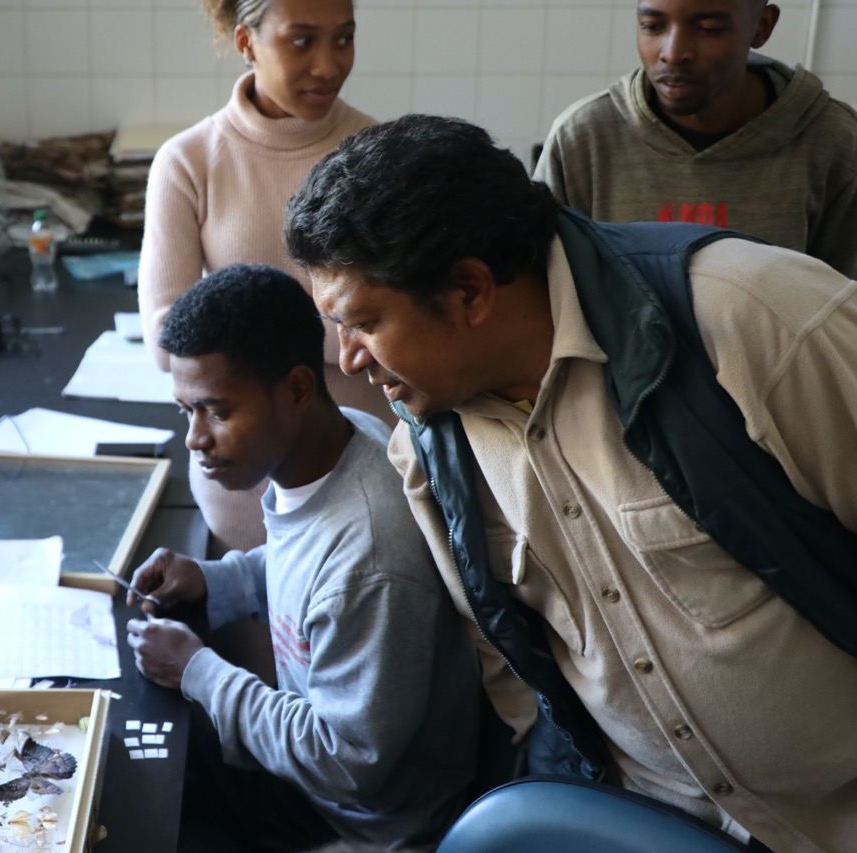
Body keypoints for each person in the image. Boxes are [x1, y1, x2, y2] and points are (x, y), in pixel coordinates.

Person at [283, 113, 857, 851]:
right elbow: (513, 665)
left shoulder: (749, 318)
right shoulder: (431, 451)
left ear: (470, 291)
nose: (348, 358)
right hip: (643, 825)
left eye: (361, 322)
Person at [125, 264, 479, 851]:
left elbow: (346, 762)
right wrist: (219, 582)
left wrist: (197, 671)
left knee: (144, 816)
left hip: (355, 827)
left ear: (295, 390)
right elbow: (306, 564)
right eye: (184, 411)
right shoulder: (345, 442)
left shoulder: (369, 560)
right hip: (314, 789)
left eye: (216, 411)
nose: (194, 438)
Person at [138, 0, 387, 556]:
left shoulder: (380, 156)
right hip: (242, 492)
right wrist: (344, 331)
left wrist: (264, 337)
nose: (328, 64)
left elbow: (403, 325)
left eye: (343, 39)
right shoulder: (189, 161)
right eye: (302, 41)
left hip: (368, 480)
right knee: (248, 622)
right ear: (247, 42)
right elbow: (165, 336)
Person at [532, 0, 857, 279]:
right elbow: (542, 293)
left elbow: (846, 315)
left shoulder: (834, 142)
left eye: (709, 28)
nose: (673, 53)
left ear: (762, 26)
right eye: (652, 25)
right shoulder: (582, 139)